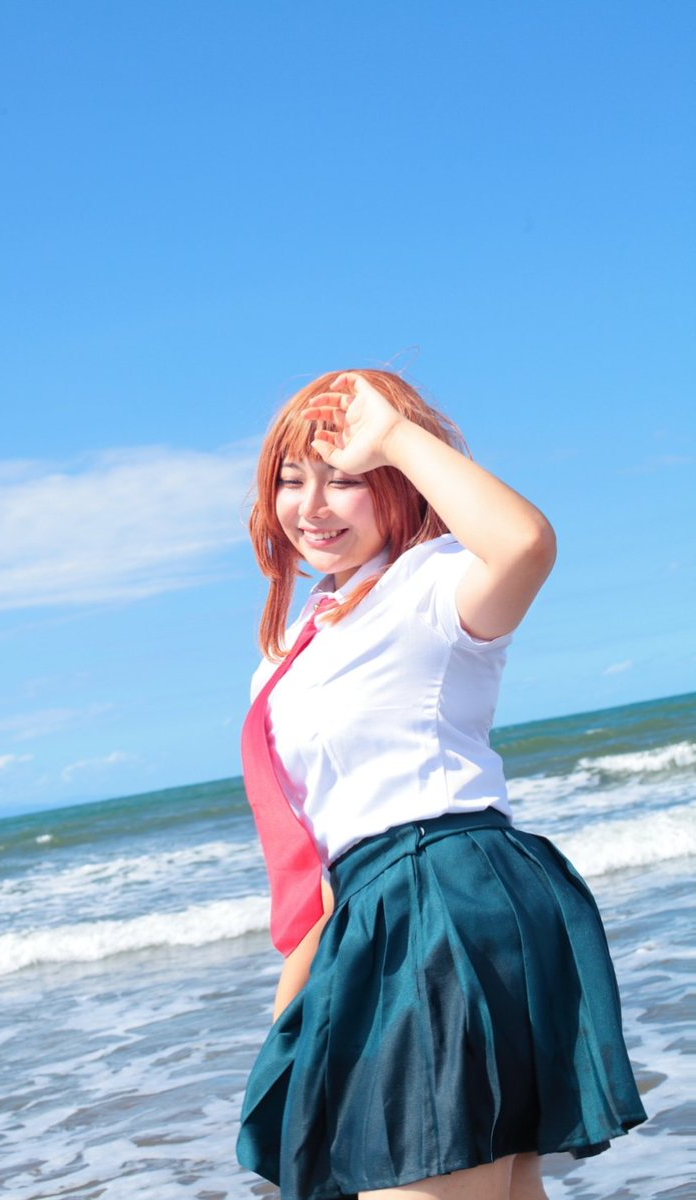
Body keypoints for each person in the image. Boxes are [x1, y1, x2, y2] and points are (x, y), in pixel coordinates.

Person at [236, 369, 646, 1200]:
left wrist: (392, 433)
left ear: (396, 479)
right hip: (375, 917)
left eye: (344, 479)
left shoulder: (433, 583)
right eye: (291, 480)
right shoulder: (293, 647)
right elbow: (319, 853)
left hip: (448, 896)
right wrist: (295, 1000)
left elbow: (525, 543)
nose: (311, 506)